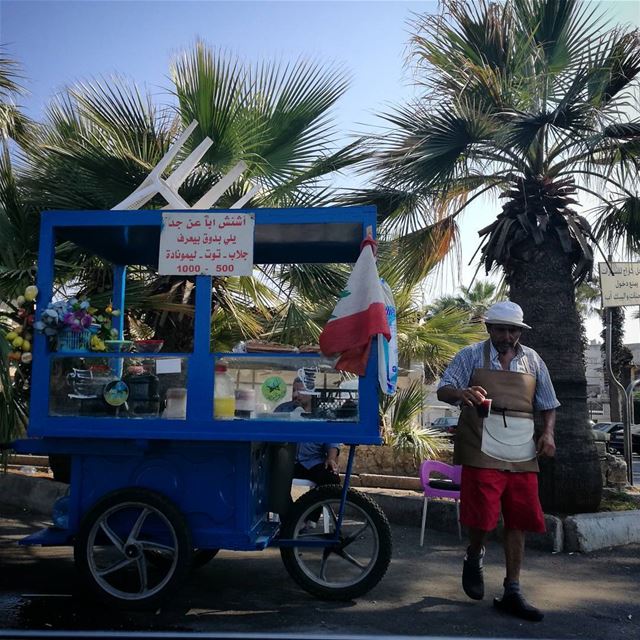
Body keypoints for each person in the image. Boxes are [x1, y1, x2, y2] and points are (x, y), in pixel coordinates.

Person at [437, 301, 558, 622]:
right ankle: (474, 554)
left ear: (520, 331)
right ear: (490, 329)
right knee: (482, 515)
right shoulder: (469, 355)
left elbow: (548, 403)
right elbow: (443, 389)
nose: (507, 336)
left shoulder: (533, 360)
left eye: (513, 330)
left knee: (519, 515)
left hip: (521, 445)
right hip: (481, 442)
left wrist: (548, 434)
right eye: (501, 329)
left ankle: (512, 589)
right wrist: (461, 393)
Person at [275, 378, 340, 486]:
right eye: (293, 390)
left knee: (332, 479)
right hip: (286, 463)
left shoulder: (322, 414)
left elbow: (332, 441)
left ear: (311, 393)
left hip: (313, 462)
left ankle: (316, 503)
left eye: (299, 391)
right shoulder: (282, 410)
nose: (295, 395)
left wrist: (331, 459)